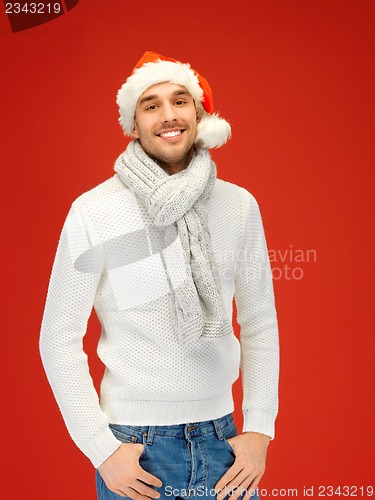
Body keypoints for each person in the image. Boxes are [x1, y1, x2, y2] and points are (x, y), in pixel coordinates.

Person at [39, 51, 280, 500]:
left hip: (223, 447)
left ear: (200, 113)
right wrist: (100, 448)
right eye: (151, 105)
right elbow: (58, 336)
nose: (169, 115)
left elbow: (260, 321)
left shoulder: (238, 206)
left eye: (180, 101)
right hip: (136, 449)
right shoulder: (94, 211)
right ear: (133, 124)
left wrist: (260, 429)